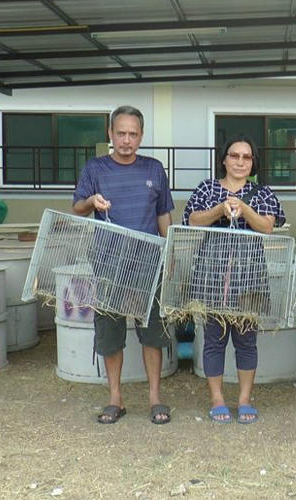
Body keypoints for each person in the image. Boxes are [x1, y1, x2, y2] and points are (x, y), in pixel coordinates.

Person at [73, 105, 174, 425]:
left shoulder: (155, 169)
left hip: (148, 262)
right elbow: (77, 209)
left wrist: (169, 253)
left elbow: (163, 216)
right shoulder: (95, 168)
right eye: (121, 133)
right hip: (108, 262)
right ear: (110, 134)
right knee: (110, 332)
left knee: (153, 332)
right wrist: (92, 202)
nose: (127, 140)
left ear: (141, 136)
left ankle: (155, 398)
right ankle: (115, 398)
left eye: (133, 134)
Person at [183, 134, 285, 424]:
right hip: (212, 269)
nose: (240, 161)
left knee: (246, 339)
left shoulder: (262, 192)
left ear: (253, 162)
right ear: (224, 159)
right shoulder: (206, 188)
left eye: (246, 157)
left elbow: (267, 227)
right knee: (214, 338)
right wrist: (219, 209)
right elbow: (192, 220)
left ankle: (244, 398)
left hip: (249, 271)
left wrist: (245, 209)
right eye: (235, 155)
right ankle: (217, 399)